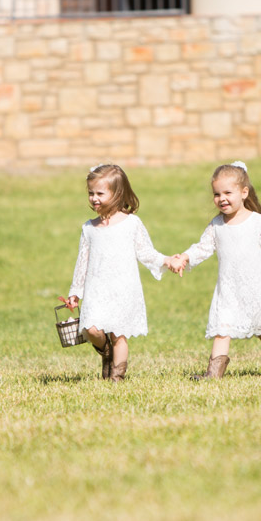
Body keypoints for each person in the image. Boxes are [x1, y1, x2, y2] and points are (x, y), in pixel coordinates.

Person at [170, 161, 261, 379]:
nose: (222, 199)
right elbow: (203, 247)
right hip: (228, 289)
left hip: (255, 289)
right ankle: (213, 374)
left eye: (228, 192)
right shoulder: (217, 225)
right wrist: (186, 257)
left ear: (244, 192)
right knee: (222, 329)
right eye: (217, 194)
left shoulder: (256, 222)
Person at [66, 164, 179, 382]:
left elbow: (146, 252)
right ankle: (105, 350)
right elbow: (82, 261)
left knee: (119, 334)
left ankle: (116, 379)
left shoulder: (131, 224)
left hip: (123, 289)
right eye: (91, 193)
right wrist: (75, 291)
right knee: (90, 329)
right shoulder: (89, 228)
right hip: (96, 289)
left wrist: (167, 260)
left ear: (117, 193)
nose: (94, 198)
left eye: (100, 193)